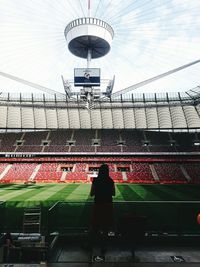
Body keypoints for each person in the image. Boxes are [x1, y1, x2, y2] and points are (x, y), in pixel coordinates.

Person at [89, 163, 115, 259]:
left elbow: (92, 194)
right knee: (105, 228)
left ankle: (90, 244)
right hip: (108, 205)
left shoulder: (95, 180)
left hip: (98, 205)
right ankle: (104, 246)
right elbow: (113, 193)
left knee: (94, 227)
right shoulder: (110, 181)